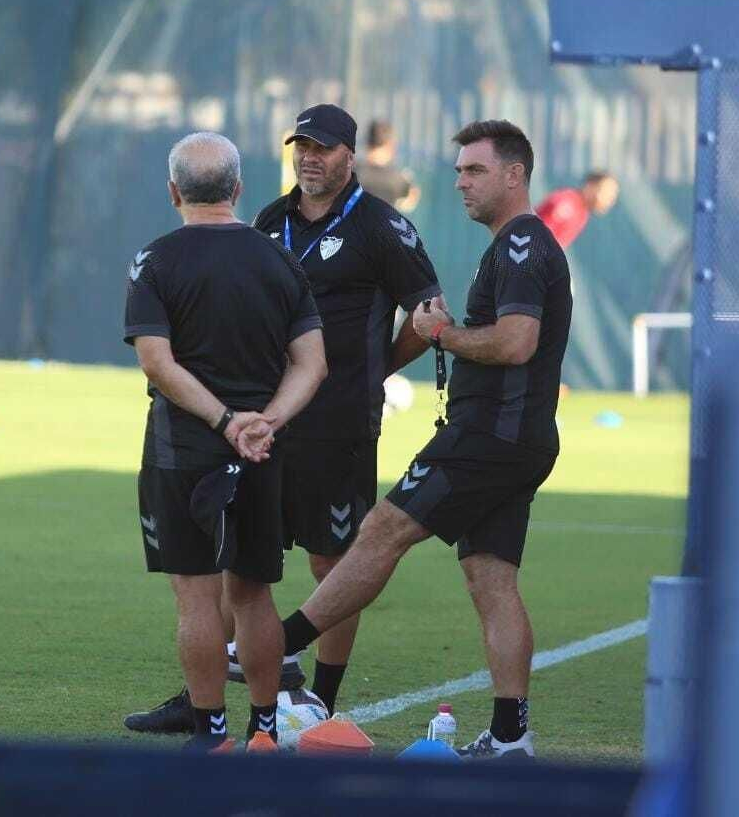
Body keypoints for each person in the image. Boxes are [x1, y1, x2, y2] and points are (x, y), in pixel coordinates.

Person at [125, 104, 443, 733]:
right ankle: (205, 701)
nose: (309, 158)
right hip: (261, 423)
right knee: (232, 568)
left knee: (332, 561)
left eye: (323, 149)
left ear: (350, 157)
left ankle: (322, 697)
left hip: (335, 422)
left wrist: (372, 370)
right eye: (301, 147)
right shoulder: (268, 222)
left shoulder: (382, 227)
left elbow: (430, 315)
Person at [276, 119, 573, 760]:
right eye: (460, 170)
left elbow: (516, 341)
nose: (461, 182)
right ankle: (511, 734)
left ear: (515, 174)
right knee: (490, 579)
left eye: (475, 171)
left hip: (490, 435)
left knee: (383, 528)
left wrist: (444, 335)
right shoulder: (514, 243)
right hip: (517, 438)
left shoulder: (522, 244)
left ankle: (278, 645)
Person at [123, 131, 328, 753]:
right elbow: (312, 364)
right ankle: (264, 731)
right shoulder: (280, 259)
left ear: (172, 191)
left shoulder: (156, 260)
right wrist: (264, 421)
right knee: (254, 593)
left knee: (196, 596)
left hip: (185, 449)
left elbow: (157, 363)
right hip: (263, 451)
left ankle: (211, 734)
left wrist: (225, 422)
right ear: (239, 190)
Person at [534, 170, 619, 249]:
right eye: (605, 193)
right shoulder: (568, 203)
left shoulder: (582, 214)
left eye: (611, 197)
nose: (608, 200)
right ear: (590, 186)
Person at [357, 118, 422, 213]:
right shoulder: (398, 180)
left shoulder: (351, 173)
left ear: (368, 143)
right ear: (390, 144)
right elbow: (409, 203)